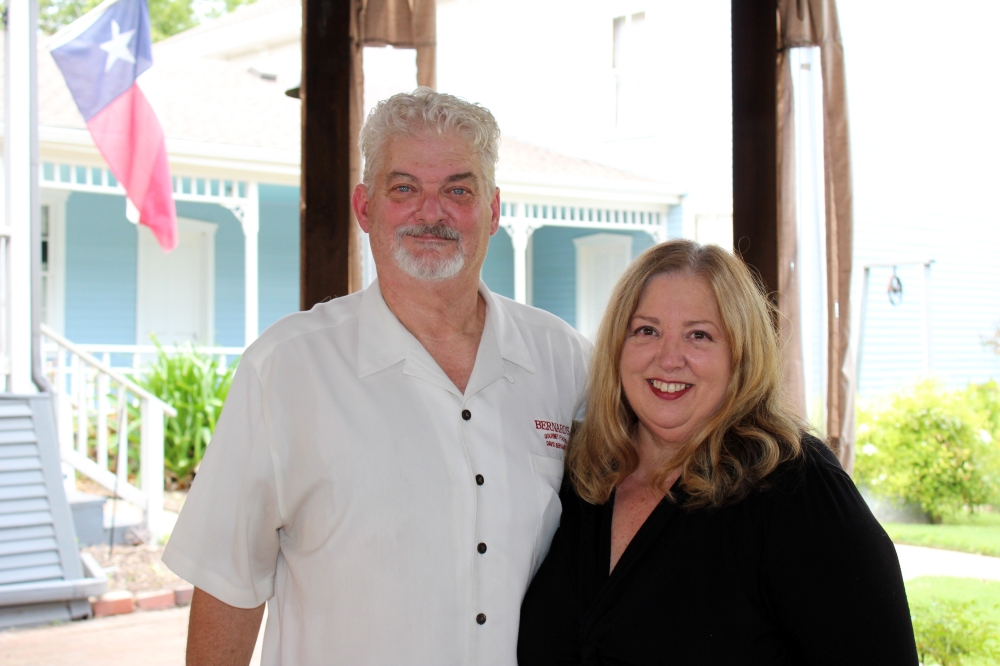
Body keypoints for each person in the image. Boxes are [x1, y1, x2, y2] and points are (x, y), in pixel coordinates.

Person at [163, 89, 589, 666]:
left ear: (491, 211)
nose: (431, 212)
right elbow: (227, 584)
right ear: (365, 208)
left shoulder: (564, 360)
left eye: (458, 190)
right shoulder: (286, 369)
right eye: (404, 188)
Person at [518, 240, 917, 665]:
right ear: (617, 346)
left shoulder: (797, 488)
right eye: (646, 330)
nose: (669, 358)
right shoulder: (581, 473)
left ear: (740, 356)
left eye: (699, 335)